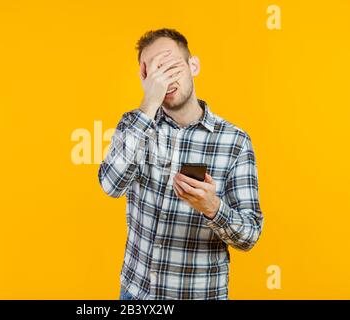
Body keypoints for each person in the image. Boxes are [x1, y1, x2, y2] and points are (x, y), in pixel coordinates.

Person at [98, 28, 263, 300]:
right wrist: (149, 103)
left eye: (171, 66)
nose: (165, 79)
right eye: (155, 72)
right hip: (136, 294)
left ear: (193, 65)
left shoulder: (235, 141)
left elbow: (250, 235)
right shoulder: (133, 124)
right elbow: (110, 185)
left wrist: (213, 208)